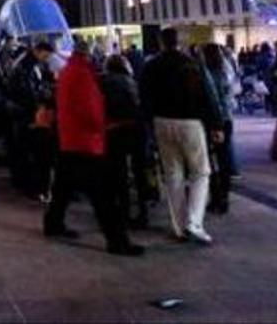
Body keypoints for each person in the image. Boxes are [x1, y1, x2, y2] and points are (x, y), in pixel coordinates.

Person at [44, 42, 143, 257]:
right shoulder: (82, 75)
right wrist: (102, 127)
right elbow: (91, 110)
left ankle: (53, 223)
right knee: (104, 195)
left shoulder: (67, 72)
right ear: (86, 55)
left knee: (63, 186)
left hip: (69, 138)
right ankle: (117, 241)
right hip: (85, 141)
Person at [139, 28, 223, 245]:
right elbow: (207, 93)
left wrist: (149, 125)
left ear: (160, 42)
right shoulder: (191, 63)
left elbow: (144, 98)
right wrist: (216, 124)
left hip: (161, 121)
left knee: (172, 174)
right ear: (179, 41)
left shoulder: (150, 66)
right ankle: (194, 223)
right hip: (190, 121)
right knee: (200, 172)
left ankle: (179, 226)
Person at [101, 54, 152, 228]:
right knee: (139, 171)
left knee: (119, 171)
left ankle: (124, 211)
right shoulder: (131, 82)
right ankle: (143, 212)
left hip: (115, 129)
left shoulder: (104, 82)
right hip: (137, 128)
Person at [5, 42, 54, 192]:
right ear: (38, 51)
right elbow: (27, 91)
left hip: (19, 109)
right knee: (23, 147)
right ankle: (23, 181)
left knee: (21, 147)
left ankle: (21, 179)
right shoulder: (27, 66)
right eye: (45, 56)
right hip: (22, 111)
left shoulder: (27, 63)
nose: (45, 60)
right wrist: (39, 102)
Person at [201, 44, 238, 212]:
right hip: (226, 117)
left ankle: (217, 197)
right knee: (222, 157)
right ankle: (223, 198)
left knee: (212, 160)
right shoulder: (226, 68)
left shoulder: (208, 72)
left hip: (214, 119)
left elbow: (212, 97)